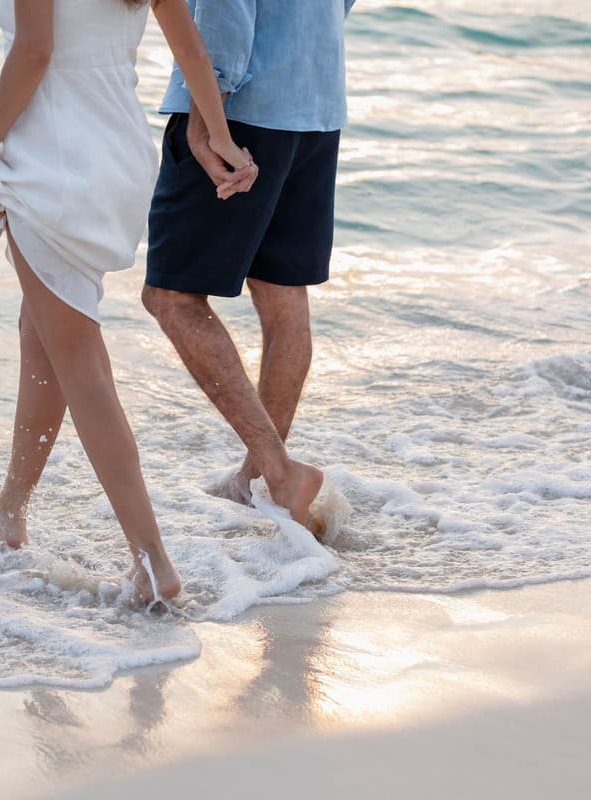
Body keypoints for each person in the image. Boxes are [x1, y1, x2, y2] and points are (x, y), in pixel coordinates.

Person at [0, 0, 258, 606]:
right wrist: (222, 141)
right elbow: (192, 48)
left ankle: (152, 563)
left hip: (53, 159)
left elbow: (34, 52)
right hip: (118, 155)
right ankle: (9, 514)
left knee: (82, 366)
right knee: (40, 337)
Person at [141, 0, 356, 533]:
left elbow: (225, 8)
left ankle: (279, 474)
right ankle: (258, 481)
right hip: (316, 99)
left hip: (241, 107)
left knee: (171, 296)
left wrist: (205, 117)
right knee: (283, 293)